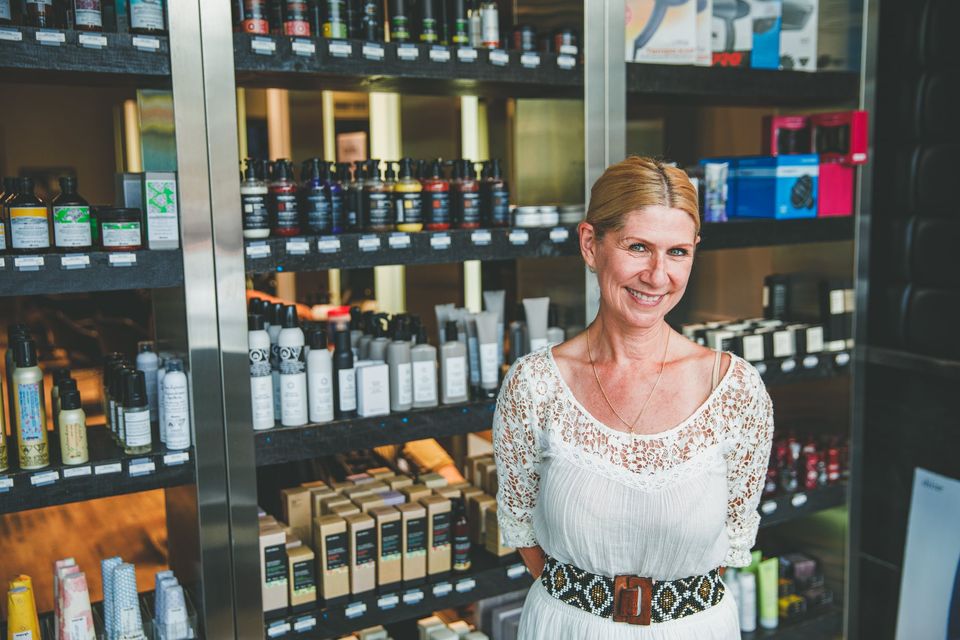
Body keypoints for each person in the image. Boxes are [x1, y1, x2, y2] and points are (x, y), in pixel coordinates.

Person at [493, 156, 774, 638]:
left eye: (677, 252)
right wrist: (593, 613)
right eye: (638, 247)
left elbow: (730, 543)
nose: (657, 275)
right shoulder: (534, 386)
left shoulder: (735, 391)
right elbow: (523, 532)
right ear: (590, 244)